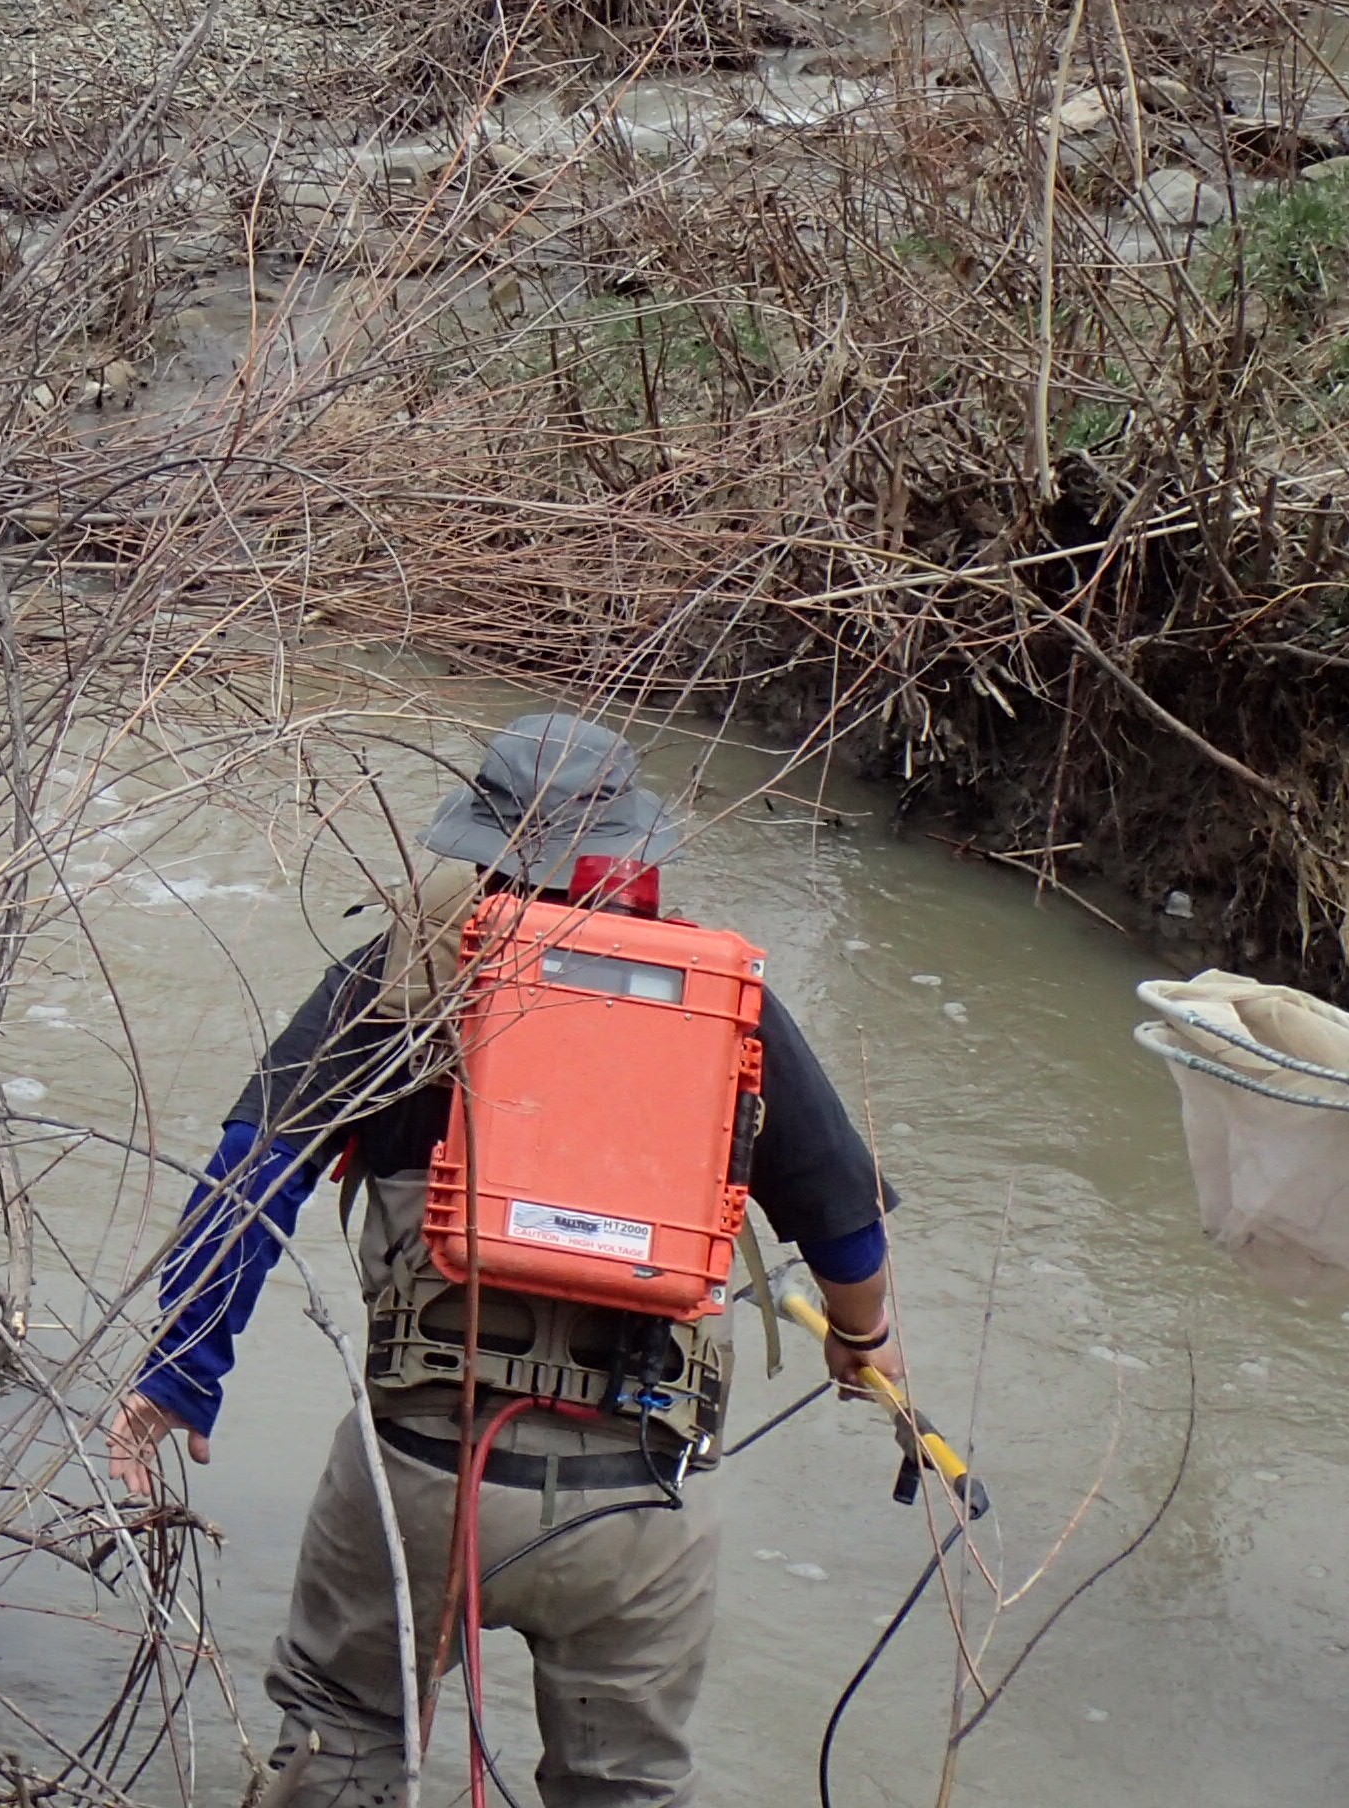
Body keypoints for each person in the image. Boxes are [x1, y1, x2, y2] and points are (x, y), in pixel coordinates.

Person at [101, 715, 906, 1808]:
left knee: (347, 1743)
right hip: (640, 1504)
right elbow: (847, 1220)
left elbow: (252, 1175)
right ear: (632, 844)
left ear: (479, 843)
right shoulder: (730, 1008)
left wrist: (178, 1377)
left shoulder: (395, 982)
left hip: (424, 1477)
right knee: (624, 1790)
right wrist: (864, 1344)